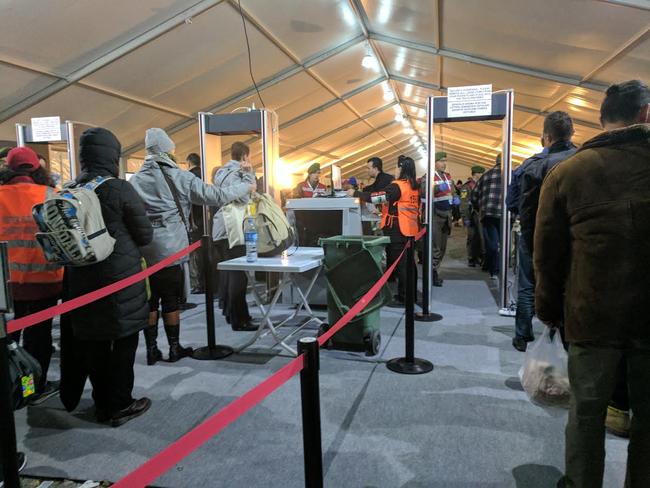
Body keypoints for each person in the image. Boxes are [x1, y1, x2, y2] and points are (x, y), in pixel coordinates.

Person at [535, 79, 650, 487]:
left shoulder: (569, 172)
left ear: (602, 121)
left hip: (590, 315)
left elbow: (547, 257)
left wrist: (549, 312)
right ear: (645, 114)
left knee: (585, 415)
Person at [131, 129, 254, 364]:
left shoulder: (136, 179)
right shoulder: (178, 176)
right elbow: (216, 195)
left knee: (150, 300)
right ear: (167, 150)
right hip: (170, 248)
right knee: (170, 299)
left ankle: (152, 350)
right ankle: (175, 348)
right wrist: (246, 187)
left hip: (144, 249)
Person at [64, 127, 154, 427]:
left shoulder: (70, 189)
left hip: (80, 280)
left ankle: (102, 402)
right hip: (119, 280)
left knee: (94, 343)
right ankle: (120, 404)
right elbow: (144, 234)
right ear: (113, 155)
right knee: (124, 341)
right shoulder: (118, 188)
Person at [0, 147, 63, 404]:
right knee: (38, 341)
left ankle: (11, 388)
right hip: (44, 285)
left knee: (9, 341)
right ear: (37, 167)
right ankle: (31, 388)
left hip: (7, 288)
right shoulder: (49, 195)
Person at [511, 111, 577, 352]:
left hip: (536, 235)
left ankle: (522, 334)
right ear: (572, 133)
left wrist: (528, 237)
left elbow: (518, 204)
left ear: (545, 137)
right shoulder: (585, 161)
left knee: (527, 284)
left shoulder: (532, 165)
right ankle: (563, 336)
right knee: (569, 285)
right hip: (573, 238)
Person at [357, 155, 420, 307]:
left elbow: (378, 198)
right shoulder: (413, 186)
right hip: (410, 228)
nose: (395, 171)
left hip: (397, 229)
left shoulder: (397, 186)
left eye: (397, 168)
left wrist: (356, 194)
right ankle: (409, 294)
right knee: (409, 263)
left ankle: (405, 297)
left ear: (401, 168)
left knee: (401, 265)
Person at [213, 142, 259, 331]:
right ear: (245, 157)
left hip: (220, 228)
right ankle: (239, 320)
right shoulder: (238, 174)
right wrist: (249, 174)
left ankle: (235, 314)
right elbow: (245, 197)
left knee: (231, 273)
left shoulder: (220, 173)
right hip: (233, 229)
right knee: (238, 276)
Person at [471, 154, 502, 281]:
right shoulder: (512, 175)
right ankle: (499, 268)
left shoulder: (486, 175)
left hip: (488, 214)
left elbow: (474, 196)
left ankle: (492, 269)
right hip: (505, 215)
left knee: (491, 243)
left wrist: (480, 209)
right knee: (503, 243)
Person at [186, 152, 205, 294]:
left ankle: (198, 284)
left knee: (196, 256)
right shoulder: (203, 174)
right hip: (205, 219)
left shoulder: (189, 176)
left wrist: (191, 221)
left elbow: (190, 202)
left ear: (188, 162)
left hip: (195, 221)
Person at [459, 166, 485, 267]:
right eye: (481, 173)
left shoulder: (482, 185)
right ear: (476, 174)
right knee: (472, 237)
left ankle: (480, 257)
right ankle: (471, 258)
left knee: (481, 237)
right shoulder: (467, 187)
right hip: (470, 215)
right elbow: (464, 203)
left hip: (480, 215)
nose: (482, 176)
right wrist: (465, 217)